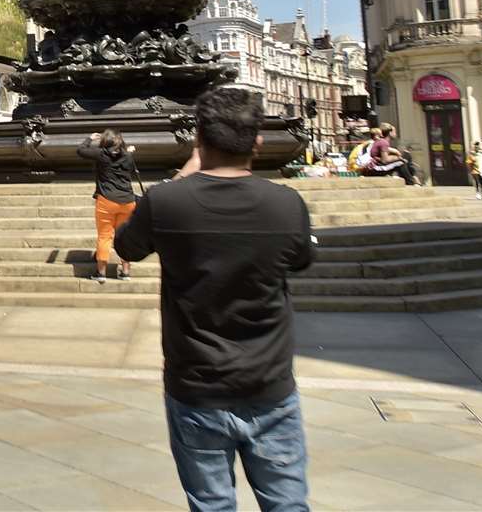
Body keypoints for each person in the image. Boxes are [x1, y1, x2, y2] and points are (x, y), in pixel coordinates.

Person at [116, 87, 315, 512]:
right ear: (258, 141)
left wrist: (181, 178)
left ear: (198, 141)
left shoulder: (167, 201)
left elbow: (126, 247)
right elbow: (301, 260)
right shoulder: (286, 204)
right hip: (270, 383)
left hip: (196, 386)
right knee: (287, 502)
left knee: (210, 504)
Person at [76, 129, 139, 283]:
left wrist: (89, 138)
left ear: (104, 142)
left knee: (105, 236)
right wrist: (129, 152)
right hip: (127, 201)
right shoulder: (128, 156)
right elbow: (129, 169)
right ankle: (125, 272)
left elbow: (80, 150)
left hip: (106, 201)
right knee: (124, 237)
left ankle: (101, 273)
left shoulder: (101, 155)